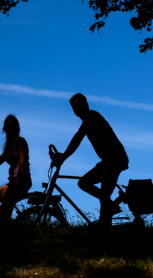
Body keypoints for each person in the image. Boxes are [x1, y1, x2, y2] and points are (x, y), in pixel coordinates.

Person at [55, 93, 129, 226]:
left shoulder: (91, 116)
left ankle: (103, 227)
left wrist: (64, 157)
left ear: (86, 105)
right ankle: (112, 207)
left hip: (115, 158)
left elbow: (77, 137)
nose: (77, 108)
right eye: (74, 106)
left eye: (79, 104)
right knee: (83, 183)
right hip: (107, 160)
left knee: (105, 194)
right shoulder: (87, 119)